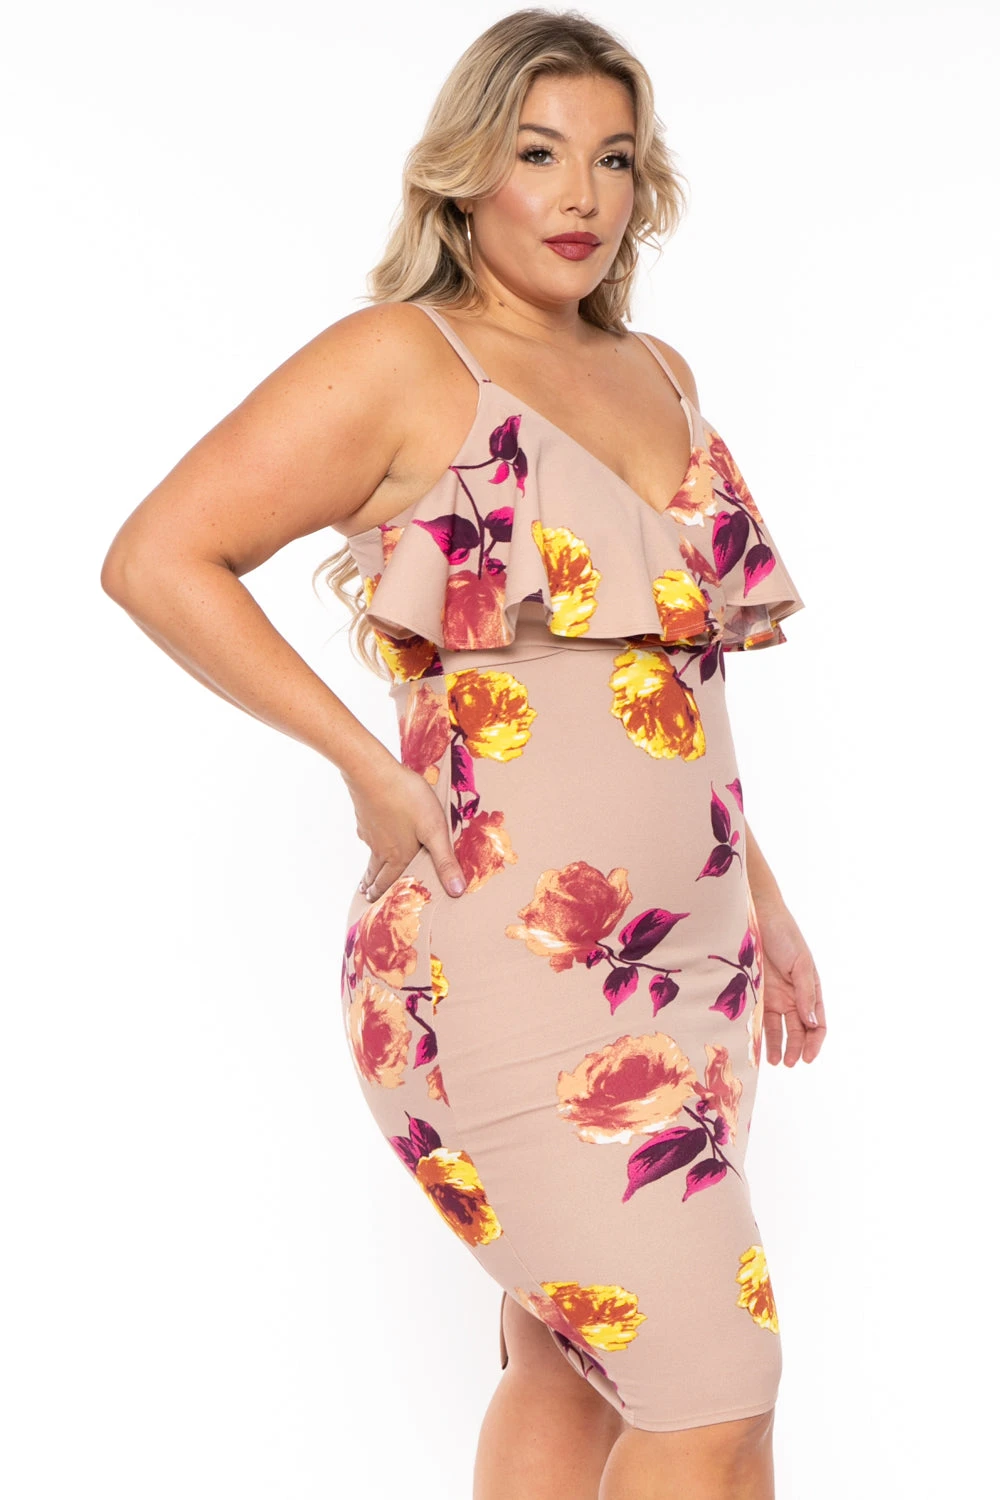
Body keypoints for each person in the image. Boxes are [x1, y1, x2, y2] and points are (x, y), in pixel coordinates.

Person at [101, 9, 826, 1497]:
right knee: (715, 1385)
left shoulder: (658, 371)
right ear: (464, 172)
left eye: (613, 160)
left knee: (573, 1364)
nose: (580, 196)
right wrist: (365, 769)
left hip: (695, 958)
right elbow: (158, 557)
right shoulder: (401, 360)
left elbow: (670, 689)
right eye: (538, 153)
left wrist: (763, 897)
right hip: (494, 957)